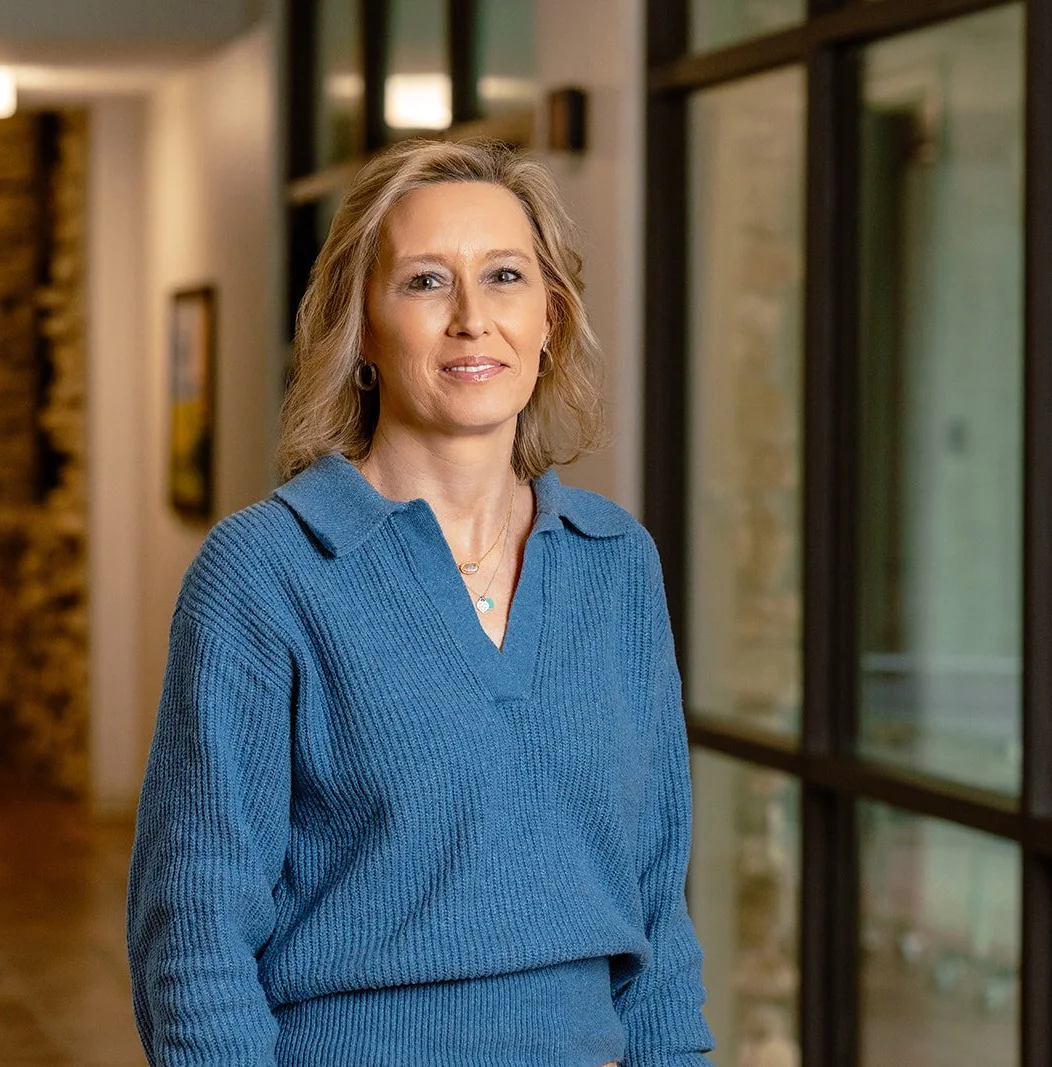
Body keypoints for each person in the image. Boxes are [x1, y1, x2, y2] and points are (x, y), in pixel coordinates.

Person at [127, 139, 714, 1067]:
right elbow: (194, 933)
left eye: (507, 276)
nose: (473, 319)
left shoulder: (616, 564)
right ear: (361, 323)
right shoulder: (265, 572)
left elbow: (655, 912)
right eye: (428, 282)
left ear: (552, 318)